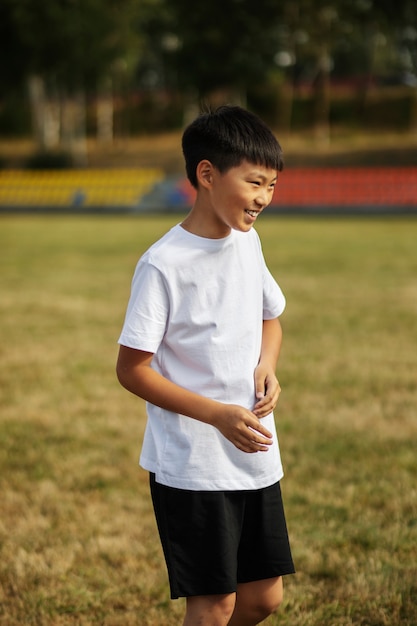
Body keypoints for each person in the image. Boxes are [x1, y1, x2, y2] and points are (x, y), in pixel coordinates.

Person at [116, 105, 295, 626]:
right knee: (214, 605)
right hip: (194, 465)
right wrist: (214, 414)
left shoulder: (248, 242)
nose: (265, 197)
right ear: (207, 175)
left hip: (254, 451)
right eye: (256, 182)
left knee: (263, 598)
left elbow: (272, 318)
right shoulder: (163, 264)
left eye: (273, 185)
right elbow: (133, 370)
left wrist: (268, 363)